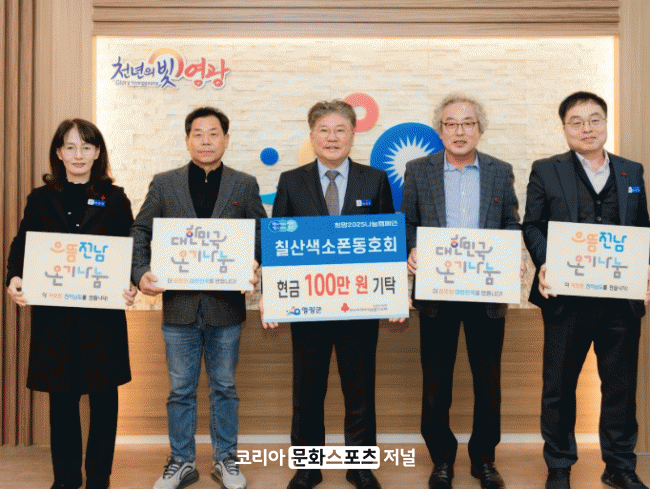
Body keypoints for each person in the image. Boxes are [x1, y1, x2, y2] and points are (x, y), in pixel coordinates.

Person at [260, 99, 395, 489]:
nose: (332, 138)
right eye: (324, 130)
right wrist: (271, 294)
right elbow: (277, 244)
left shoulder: (375, 180)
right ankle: (308, 467)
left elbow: (387, 244)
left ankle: (360, 466)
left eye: (340, 130)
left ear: (353, 135)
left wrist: (394, 295)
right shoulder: (291, 181)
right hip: (308, 308)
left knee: (360, 390)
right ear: (312, 136)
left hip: (359, 307)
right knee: (307, 391)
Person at [130, 106, 266, 489]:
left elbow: (260, 234)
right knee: (180, 390)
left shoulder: (244, 184)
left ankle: (226, 460)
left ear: (226, 139)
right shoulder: (164, 184)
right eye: (198, 134)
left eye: (213, 133)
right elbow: (140, 230)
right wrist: (140, 273)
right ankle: (181, 462)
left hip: (226, 308)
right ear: (187, 140)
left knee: (224, 387)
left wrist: (254, 262)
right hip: (179, 307)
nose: (206, 141)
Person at [523, 91, 650, 489]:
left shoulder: (631, 171)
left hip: (620, 299)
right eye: (576, 122)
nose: (587, 128)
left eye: (595, 119)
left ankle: (619, 466)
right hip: (567, 299)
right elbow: (532, 224)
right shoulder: (546, 170)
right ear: (565, 129)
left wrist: (645, 268)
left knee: (620, 387)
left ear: (606, 123)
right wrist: (546, 260)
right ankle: (559, 465)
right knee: (559, 386)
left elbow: (642, 228)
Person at [6, 119, 137, 489]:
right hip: (56, 316)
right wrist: (14, 277)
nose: (78, 155)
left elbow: (130, 249)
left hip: (102, 316)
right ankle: (65, 478)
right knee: (62, 401)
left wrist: (131, 281)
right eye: (70, 147)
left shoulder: (115, 198)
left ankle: (98, 478)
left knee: (104, 400)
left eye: (86, 147)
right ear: (59, 153)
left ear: (98, 153)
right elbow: (22, 245)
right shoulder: (40, 198)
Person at [401, 93, 522, 489]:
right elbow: (408, 223)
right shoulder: (418, 170)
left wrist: (513, 255)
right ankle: (442, 459)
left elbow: (511, 223)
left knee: (488, 381)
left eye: (468, 123)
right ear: (440, 131)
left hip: (487, 293)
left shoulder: (500, 171)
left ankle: (484, 459)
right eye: (450, 124)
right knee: (436, 381)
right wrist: (412, 249)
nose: (459, 131)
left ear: (480, 130)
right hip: (437, 292)